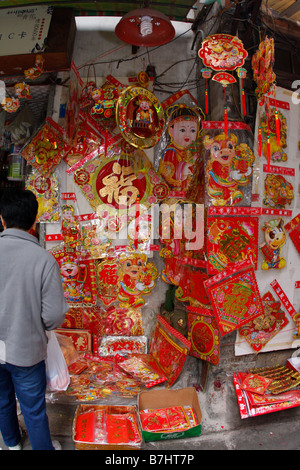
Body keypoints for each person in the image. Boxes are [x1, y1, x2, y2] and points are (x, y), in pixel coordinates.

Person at [0, 188, 69, 450]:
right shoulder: (43, 260)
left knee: (2, 400)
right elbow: (53, 316)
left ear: (2, 219)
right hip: (26, 350)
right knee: (33, 407)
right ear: (34, 221)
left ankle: (12, 444)